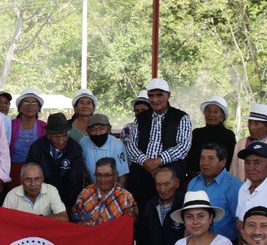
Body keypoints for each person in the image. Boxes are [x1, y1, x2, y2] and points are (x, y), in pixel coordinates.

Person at [125, 77, 193, 207]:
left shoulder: (181, 117)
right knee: (143, 213)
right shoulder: (141, 118)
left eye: (159, 95)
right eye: (151, 95)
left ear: (168, 95)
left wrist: (158, 161)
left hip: (170, 176)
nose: (155, 100)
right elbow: (131, 146)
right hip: (142, 175)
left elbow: (183, 146)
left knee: (171, 214)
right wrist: (146, 163)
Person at [134, 167, 185, 245]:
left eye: (166, 184)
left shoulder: (185, 204)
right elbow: (143, 234)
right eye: (159, 185)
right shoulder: (151, 205)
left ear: (176, 183)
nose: (162, 189)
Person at [27, 113, 85, 210]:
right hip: (41, 198)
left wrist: (65, 205)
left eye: (65, 136)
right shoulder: (37, 148)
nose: (62, 140)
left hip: (67, 200)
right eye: (57, 137)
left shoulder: (75, 148)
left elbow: (75, 180)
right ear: (48, 135)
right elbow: (31, 176)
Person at [186, 143, 240, 242]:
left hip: (225, 244)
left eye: (211, 158)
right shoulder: (193, 183)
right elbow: (187, 215)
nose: (205, 163)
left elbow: (239, 222)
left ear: (223, 162)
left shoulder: (234, 186)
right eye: (202, 158)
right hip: (196, 242)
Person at [229, 104, 267, 185]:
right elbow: (233, 170)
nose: (251, 127)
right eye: (250, 123)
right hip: (243, 190)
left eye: (256, 124)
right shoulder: (241, 143)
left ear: (266, 127)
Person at [72, 157, 137, 226]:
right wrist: (82, 223)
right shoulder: (86, 192)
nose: (102, 179)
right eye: (98, 175)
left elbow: (130, 223)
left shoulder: (125, 197)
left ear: (115, 175)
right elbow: (75, 216)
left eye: (107, 175)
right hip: (89, 235)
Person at [184, 96, 236, 181]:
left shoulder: (228, 135)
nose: (211, 114)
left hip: (218, 180)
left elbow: (229, 161)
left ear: (222, 116)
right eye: (208, 111)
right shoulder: (196, 133)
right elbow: (188, 156)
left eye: (215, 112)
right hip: (194, 179)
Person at [8, 89, 46, 187]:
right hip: (14, 170)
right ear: (19, 108)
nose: (30, 106)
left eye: (34, 103)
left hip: (37, 171)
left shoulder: (44, 127)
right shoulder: (10, 125)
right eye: (26, 103)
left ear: (38, 109)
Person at [2, 162, 66, 220]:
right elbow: (3, 221)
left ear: (42, 179)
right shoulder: (11, 195)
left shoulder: (51, 190)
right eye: (28, 180)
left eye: (37, 179)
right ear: (21, 181)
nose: (33, 184)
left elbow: (64, 218)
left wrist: (37, 220)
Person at [78, 114, 128, 187]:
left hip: (113, 188)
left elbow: (123, 175)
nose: (98, 133)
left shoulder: (117, 145)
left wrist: (116, 195)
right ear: (87, 131)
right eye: (93, 129)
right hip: (91, 188)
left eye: (101, 129)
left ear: (109, 129)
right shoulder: (83, 142)